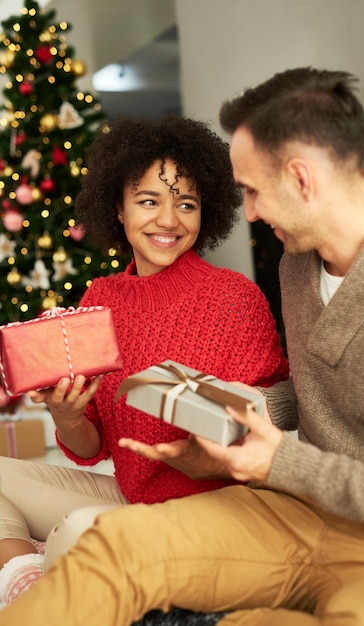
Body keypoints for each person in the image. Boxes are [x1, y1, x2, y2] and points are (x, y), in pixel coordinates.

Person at [2, 65, 364, 626]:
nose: (245, 213)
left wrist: (275, 456)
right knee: (107, 554)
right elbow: (305, 393)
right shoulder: (298, 266)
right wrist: (225, 406)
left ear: (300, 179)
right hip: (290, 510)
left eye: (250, 190)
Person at [0, 115, 288, 605]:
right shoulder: (101, 296)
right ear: (118, 207)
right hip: (129, 496)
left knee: (77, 532)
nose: (169, 220)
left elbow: (268, 425)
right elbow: (89, 448)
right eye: (149, 201)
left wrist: (217, 419)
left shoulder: (235, 298)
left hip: (214, 512)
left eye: (186, 204)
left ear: (206, 212)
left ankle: (38, 576)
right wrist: (66, 415)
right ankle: (24, 574)